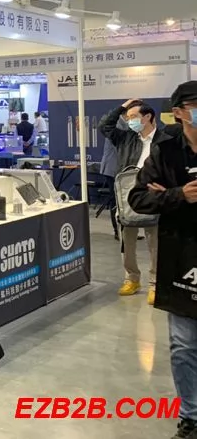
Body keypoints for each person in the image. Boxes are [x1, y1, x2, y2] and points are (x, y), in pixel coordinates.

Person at [128, 81, 197, 439]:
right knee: (184, 346)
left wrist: (166, 193)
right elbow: (138, 198)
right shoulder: (166, 152)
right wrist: (177, 195)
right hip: (182, 257)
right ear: (180, 112)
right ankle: (191, 417)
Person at [100, 99, 174, 304]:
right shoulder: (125, 139)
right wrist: (123, 107)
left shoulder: (165, 139)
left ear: (147, 117)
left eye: (133, 117)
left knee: (155, 242)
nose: (129, 120)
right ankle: (132, 278)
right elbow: (105, 126)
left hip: (153, 195)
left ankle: (155, 283)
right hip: (128, 197)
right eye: (128, 117)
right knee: (127, 241)